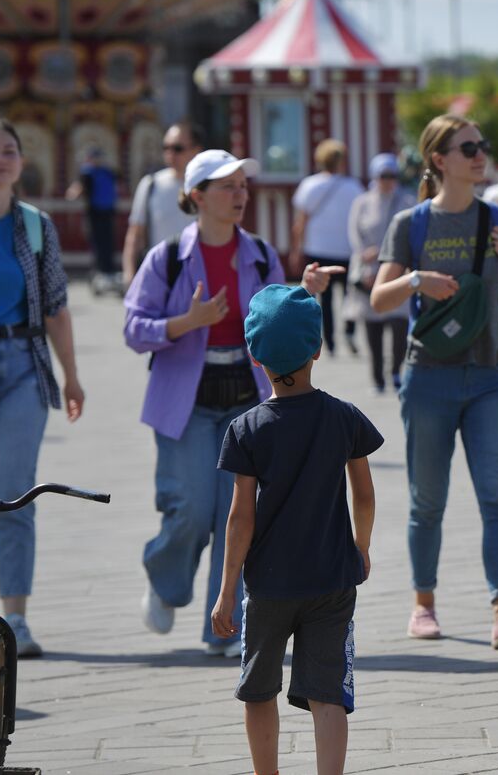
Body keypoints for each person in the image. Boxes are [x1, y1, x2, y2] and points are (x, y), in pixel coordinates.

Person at [126, 148, 340, 657]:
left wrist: (304, 293)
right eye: (228, 186)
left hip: (246, 404)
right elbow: (134, 328)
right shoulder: (168, 258)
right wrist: (186, 323)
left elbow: (276, 318)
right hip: (187, 403)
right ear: (197, 195)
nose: (240, 194)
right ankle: (165, 578)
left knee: (238, 516)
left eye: (244, 185)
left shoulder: (260, 254)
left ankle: (223, 629)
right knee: (190, 513)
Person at [369, 114, 498, 649]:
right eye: (467, 146)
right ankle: (423, 604)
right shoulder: (411, 224)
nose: (479, 154)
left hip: (491, 376)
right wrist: (417, 278)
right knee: (428, 501)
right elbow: (379, 299)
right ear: (439, 160)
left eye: (482, 144)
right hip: (428, 376)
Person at [211, 284, 379, 775]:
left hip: (269, 584)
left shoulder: (246, 429)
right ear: (318, 348)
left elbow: (241, 516)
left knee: (259, 689)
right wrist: (361, 547)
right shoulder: (343, 417)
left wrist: (225, 591)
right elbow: (364, 494)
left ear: (254, 354)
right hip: (332, 578)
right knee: (329, 694)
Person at [0, 117, 86, 658]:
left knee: (13, 496)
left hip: (21, 362)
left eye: (7, 150)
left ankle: (13, 616)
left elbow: (57, 306)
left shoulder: (35, 226)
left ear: (20, 162)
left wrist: (72, 376)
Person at [348, 153, 417, 394]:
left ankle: (396, 370)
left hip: (398, 270)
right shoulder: (363, 203)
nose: (388, 181)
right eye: (383, 176)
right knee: (372, 325)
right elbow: (355, 236)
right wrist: (364, 258)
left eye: (392, 176)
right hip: (369, 271)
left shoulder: (407, 200)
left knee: (399, 323)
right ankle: (377, 376)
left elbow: (413, 235)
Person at [290, 138, 363, 355]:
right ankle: (349, 330)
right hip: (347, 249)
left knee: (325, 298)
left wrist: (296, 250)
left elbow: (300, 223)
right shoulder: (354, 187)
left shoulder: (309, 185)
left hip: (318, 249)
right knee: (351, 294)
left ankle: (329, 341)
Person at [124, 122, 203, 284]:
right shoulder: (151, 184)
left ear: (197, 150)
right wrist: (130, 276)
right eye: (165, 148)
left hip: (200, 278)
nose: (170, 154)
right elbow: (135, 235)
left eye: (177, 148)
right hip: (160, 278)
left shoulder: (209, 187)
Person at [65, 147, 119, 285]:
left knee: (98, 241)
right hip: (108, 211)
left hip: (95, 212)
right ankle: (108, 271)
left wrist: (72, 194)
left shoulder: (88, 172)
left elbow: (77, 189)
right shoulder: (107, 171)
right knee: (107, 241)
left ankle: (101, 271)